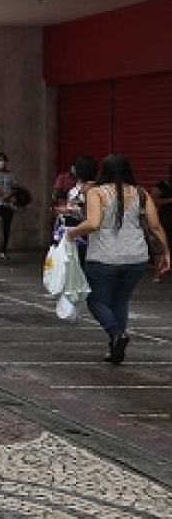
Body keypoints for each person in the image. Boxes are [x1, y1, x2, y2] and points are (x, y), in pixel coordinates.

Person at [63, 154, 170, 364]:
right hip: (137, 256)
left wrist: (71, 233)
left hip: (104, 256)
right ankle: (115, 349)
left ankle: (116, 334)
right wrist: (166, 252)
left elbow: (93, 223)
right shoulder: (141, 193)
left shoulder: (97, 193)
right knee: (120, 301)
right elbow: (155, 226)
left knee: (95, 300)